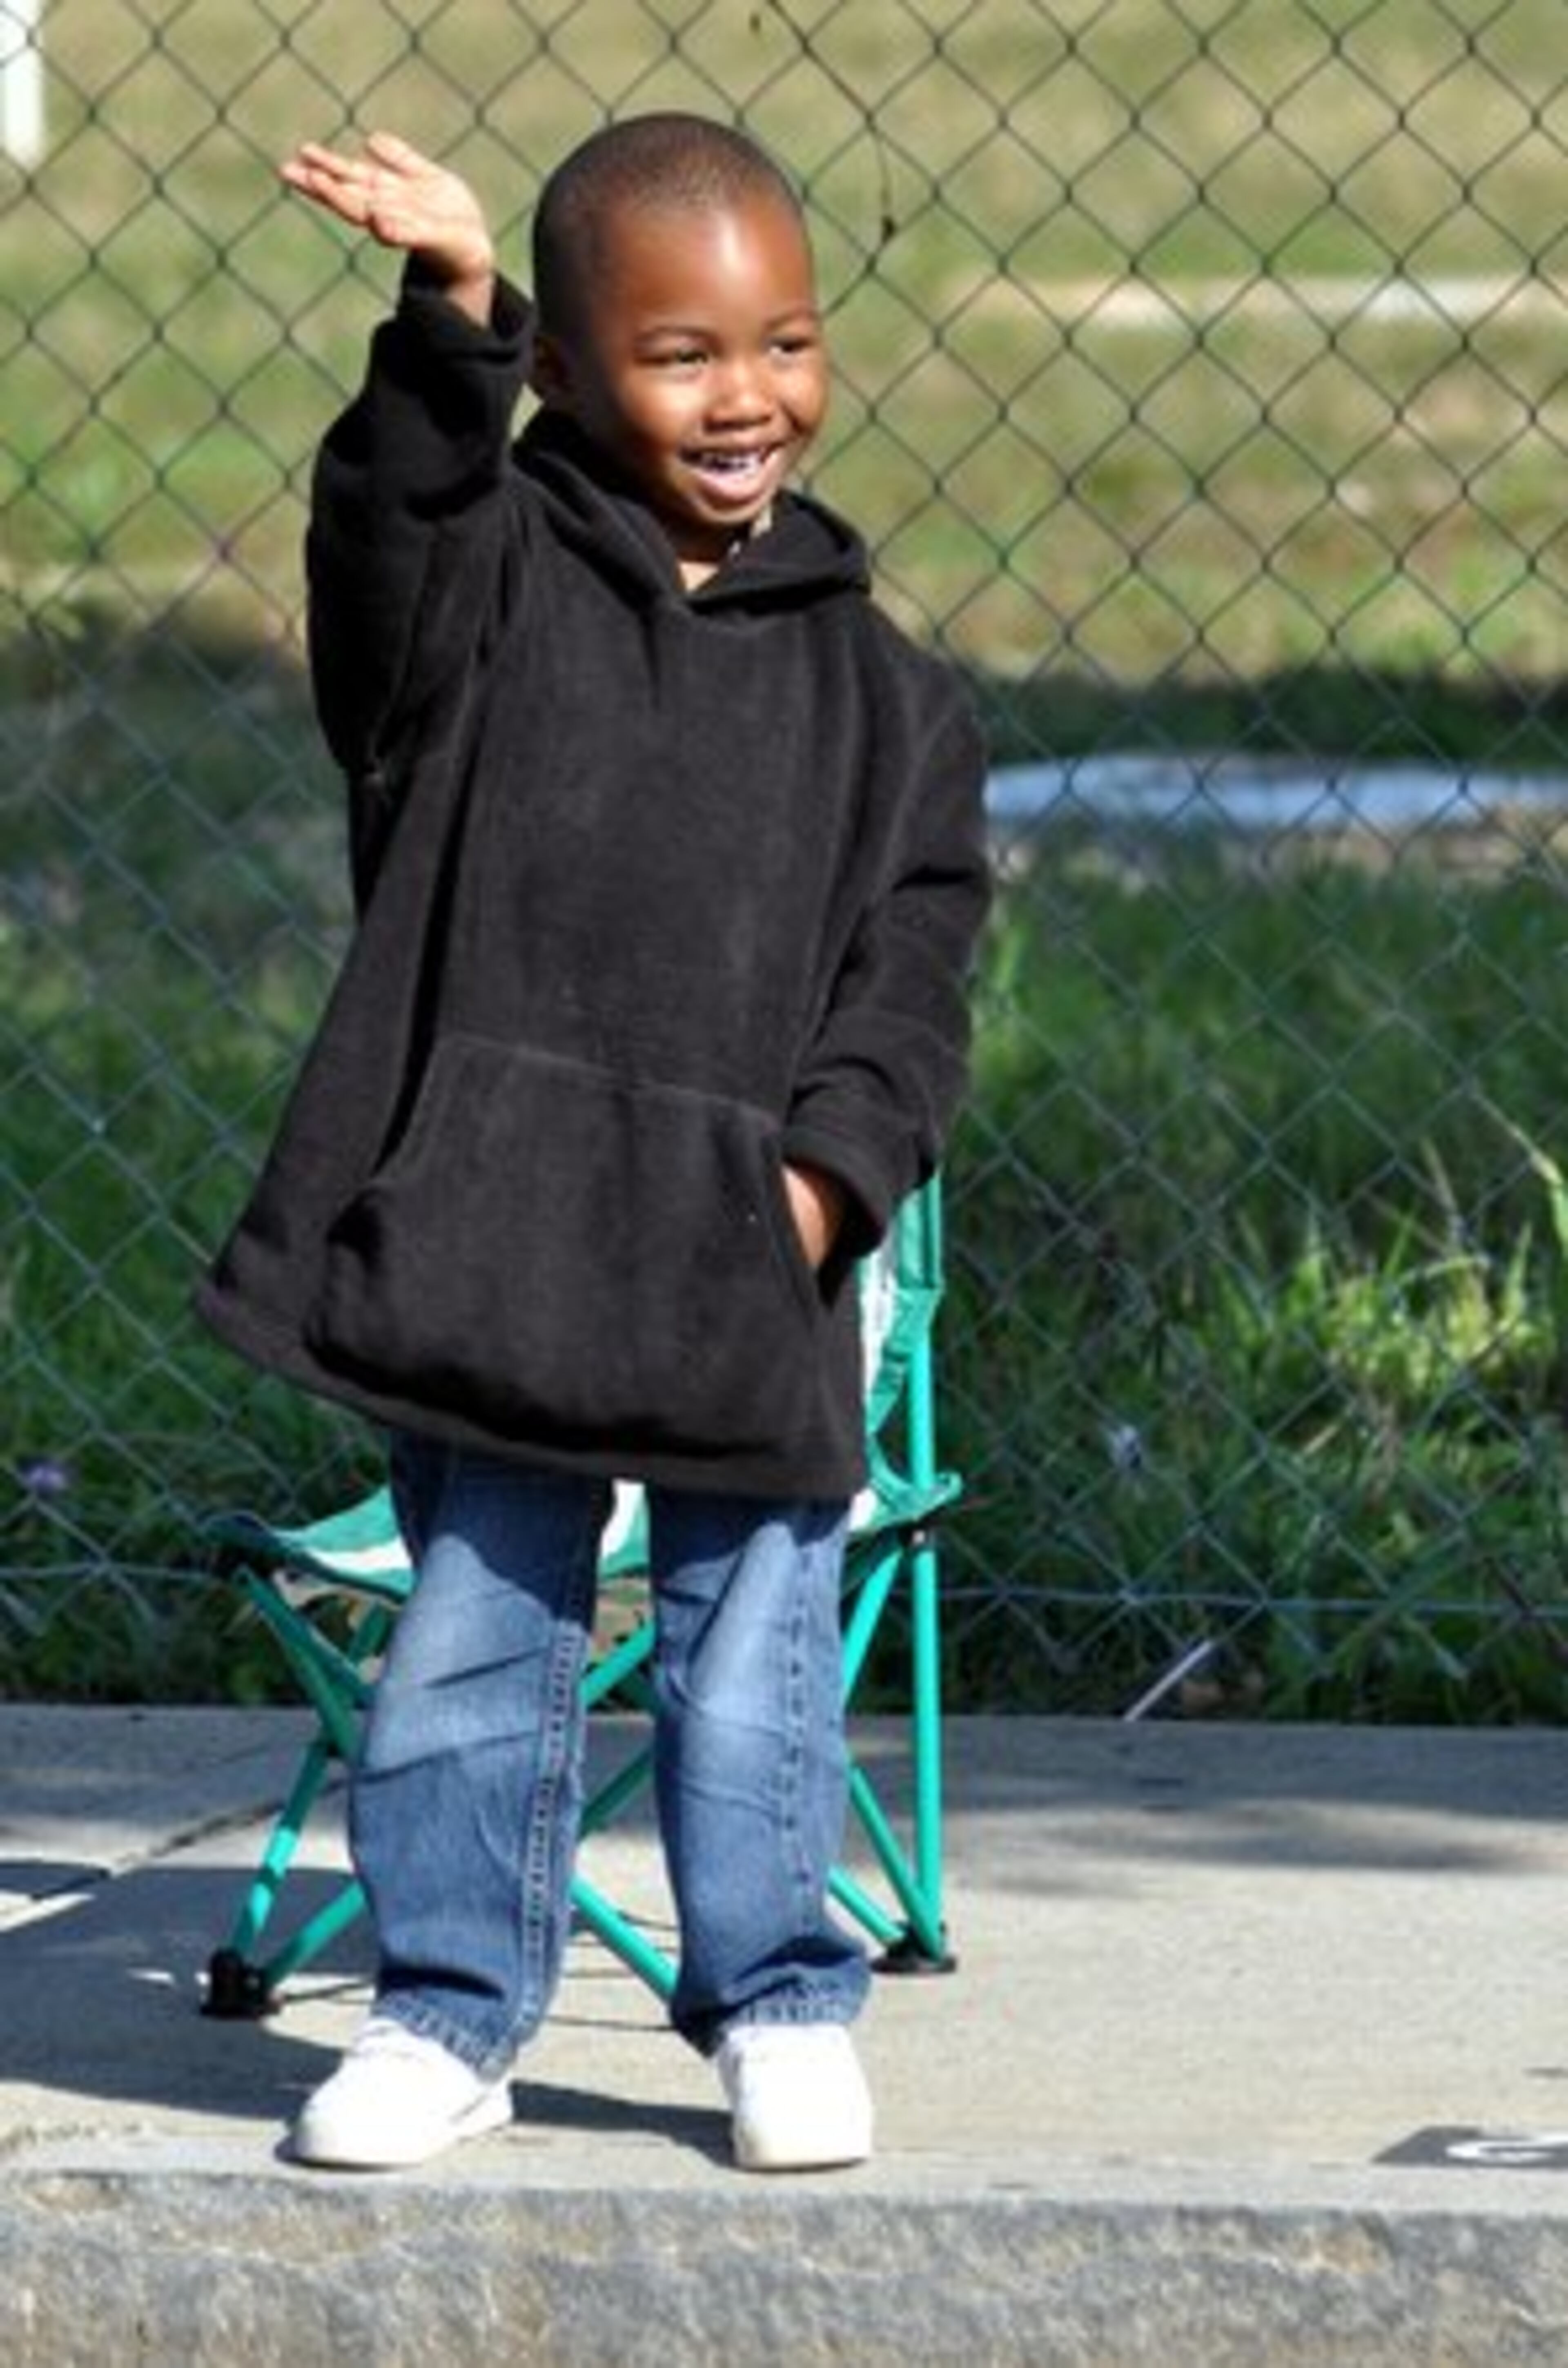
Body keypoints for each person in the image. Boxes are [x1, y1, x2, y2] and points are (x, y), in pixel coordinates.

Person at [198, 113, 989, 2174]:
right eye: (681, 357)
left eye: (787, 344)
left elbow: (915, 982)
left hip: (748, 1249)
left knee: (753, 1653)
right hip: (495, 1215)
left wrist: (824, 1180)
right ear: (567, 370)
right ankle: (448, 2008)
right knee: (480, 1627)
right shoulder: (483, 599)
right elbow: (388, 530)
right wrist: (453, 309)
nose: (749, 400)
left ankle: (778, 1999)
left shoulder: (892, 701)